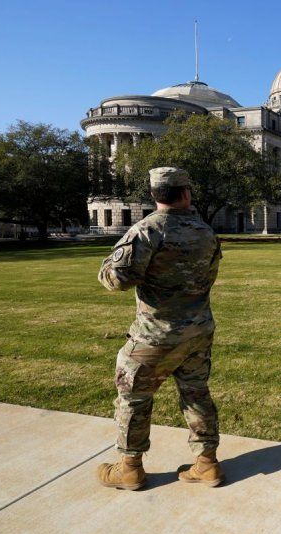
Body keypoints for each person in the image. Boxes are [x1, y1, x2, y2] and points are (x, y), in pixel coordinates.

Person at [96, 167, 224, 490]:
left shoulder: (146, 231)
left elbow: (118, 279)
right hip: (197, 331)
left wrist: (109, 270)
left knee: (133, 397)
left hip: (154, 336)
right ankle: (207, 463)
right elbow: (208, 276)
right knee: (196, 393)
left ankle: (129, 467)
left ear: (155, 195)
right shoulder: (206, 232)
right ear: (185, 194)